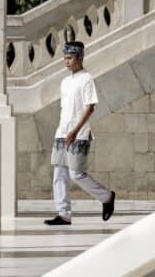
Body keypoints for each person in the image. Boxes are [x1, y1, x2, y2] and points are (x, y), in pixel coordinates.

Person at [45, 41, 117, 225]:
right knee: (59, 174)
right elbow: (65, 110)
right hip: (61, 133)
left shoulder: (86, 79)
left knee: (76, 174)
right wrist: (62, 131)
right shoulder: (65, 82)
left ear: (80, 57)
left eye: (70, 58)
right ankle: (64, 214)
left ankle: (107, 197)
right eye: (65, 58)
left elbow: (90, 107)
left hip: (79, 134)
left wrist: (75, 130)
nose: (66, 62)